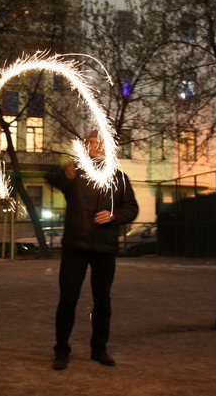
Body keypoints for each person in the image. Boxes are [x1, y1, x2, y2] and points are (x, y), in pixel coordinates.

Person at [47, 133, 139, 371]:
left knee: (102, 301)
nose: (96, 146)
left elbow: (131, 208)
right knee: (68, 299)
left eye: (100, 143)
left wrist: (113, 215)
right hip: (75, 246)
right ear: (86, 147)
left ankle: (99, 349)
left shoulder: (119, 178)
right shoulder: (76, 172)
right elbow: (52, 179)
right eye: (91, 143)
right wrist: (62, 172)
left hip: (105, 247)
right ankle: (61, 351)